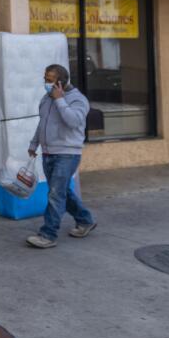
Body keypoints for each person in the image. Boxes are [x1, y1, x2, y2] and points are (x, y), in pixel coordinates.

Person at [26, 63, 96, 248]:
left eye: (49, 80)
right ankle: (85, 220)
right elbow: (43, 123)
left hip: (67, 154)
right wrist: (34, 144)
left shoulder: (78, 99)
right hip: (48, 153)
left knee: (56, 194)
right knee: (62, 191)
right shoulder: (46, 98)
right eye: (45, 79)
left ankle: (48, 235)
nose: (45, 83)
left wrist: (59, 100)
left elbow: (73, 121)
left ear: (61, 82)